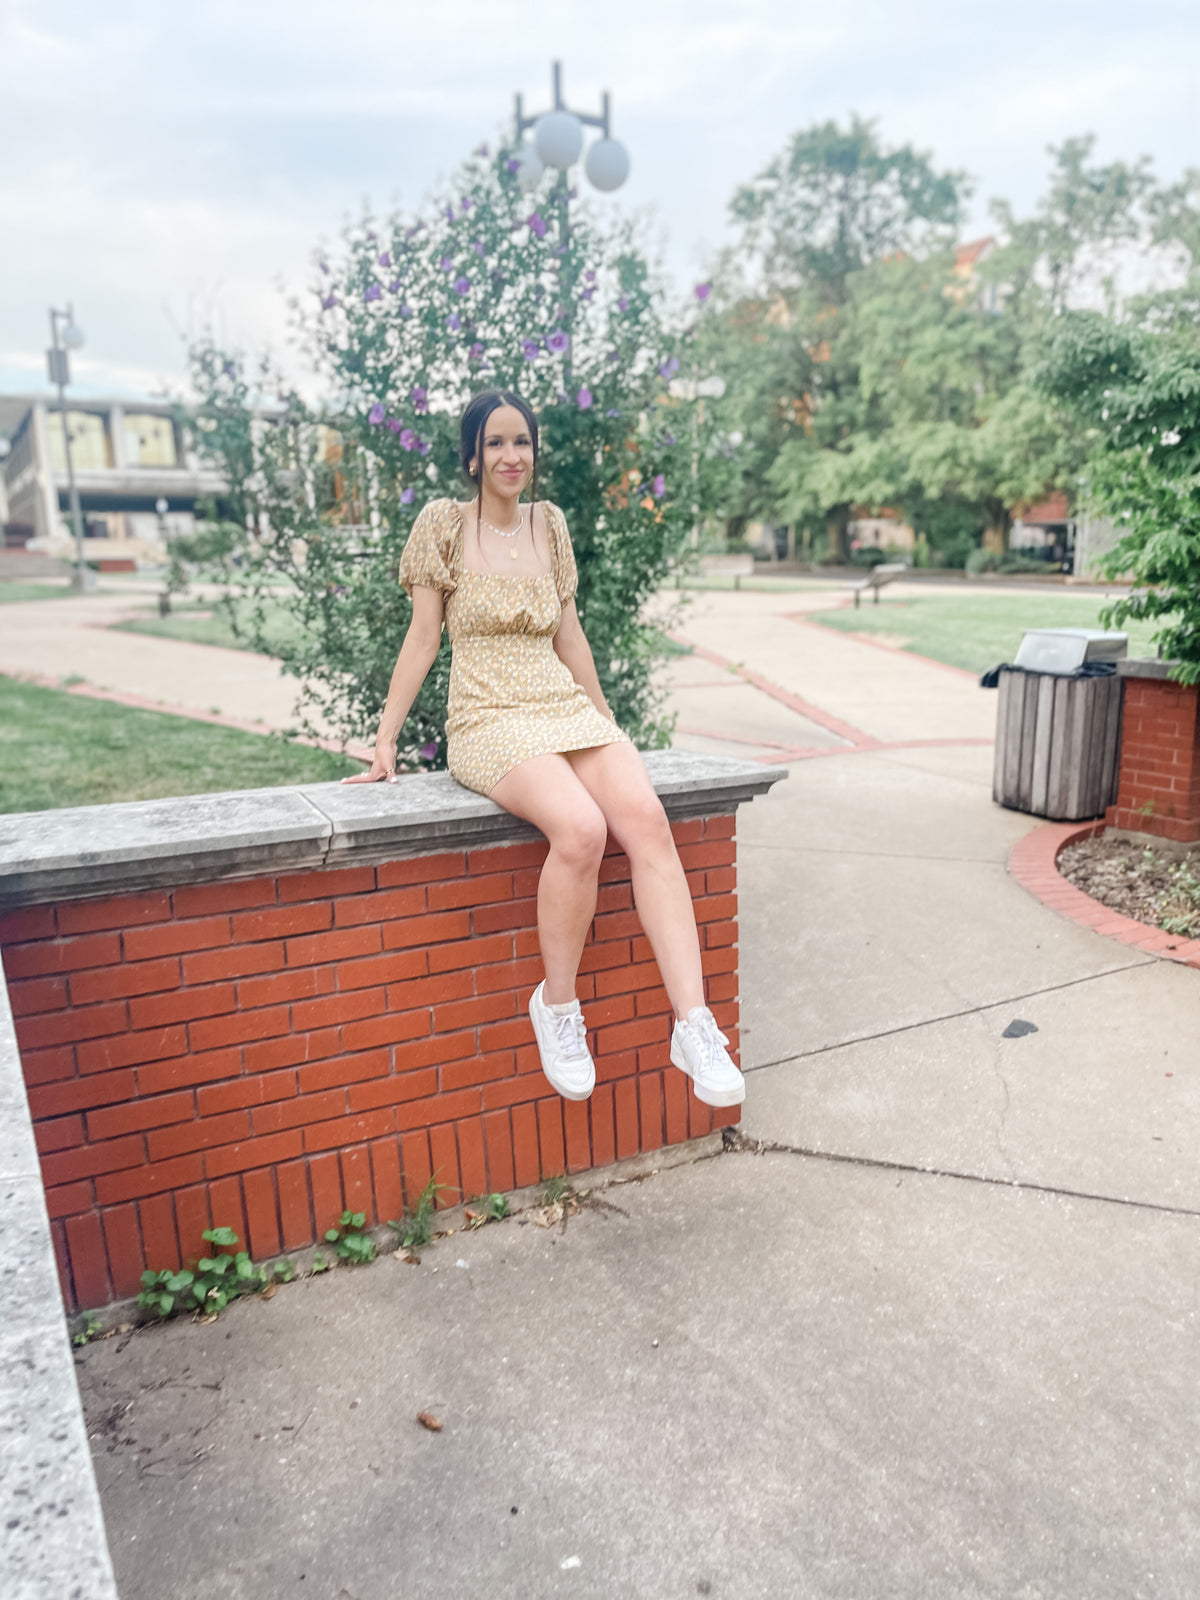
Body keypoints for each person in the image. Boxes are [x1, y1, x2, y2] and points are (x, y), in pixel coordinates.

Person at [344, 388, 744, 1109]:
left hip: (561, 706)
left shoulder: (548, 525)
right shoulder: (442, 525)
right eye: (495, 443)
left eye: (521, 442)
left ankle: (694, 1025)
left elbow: (569, 637)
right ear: (472, 455)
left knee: (647, 820)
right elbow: (425, 638)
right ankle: (558, 1009)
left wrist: (606, 723)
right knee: (582, 830)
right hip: (489, 714)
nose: (510, 456)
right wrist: (386, 738)